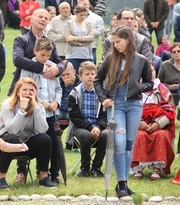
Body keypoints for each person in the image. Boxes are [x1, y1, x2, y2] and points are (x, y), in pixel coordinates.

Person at [94, 26, 153, 198]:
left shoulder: (141, 60)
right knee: (118, 142)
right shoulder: (110, 59)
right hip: (115, 105)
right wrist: (103, 98)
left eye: (118, 42)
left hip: (134, 105)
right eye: (114, 42)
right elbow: (98, 80)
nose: (116, 45)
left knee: (128, 145)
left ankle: (124, 184)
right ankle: (121, 184)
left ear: (128, 39)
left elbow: (149, 83)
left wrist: (138, 87)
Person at [0, 77, 55, 189]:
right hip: (6, 144)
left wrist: (36, 108)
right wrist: (22, 110)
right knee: (12, 138)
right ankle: (1, 178)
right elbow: (12, 130)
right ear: (18, 92)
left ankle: (43, 177)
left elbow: (42, 130)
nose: (28, 92)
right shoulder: (8, 104)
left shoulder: (39, 106)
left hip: (27, 145)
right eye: (25, 90)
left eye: (31, 90)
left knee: (45, 138)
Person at [20, 38, 63, 185]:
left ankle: (54, 173)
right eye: (42, 55)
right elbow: (24, 90)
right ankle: (22, 171)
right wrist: (42, 103)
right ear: (35, 51)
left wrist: (56, 102)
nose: (45, 58)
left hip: (50, 113)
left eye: (48, 56)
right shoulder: (28, 67)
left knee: (53, 143)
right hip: (33, 112)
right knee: (28, 140)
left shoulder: (52, 67)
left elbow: (58, 88)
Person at [131, 62, 176, 181]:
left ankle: (157, 169)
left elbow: (170, 110)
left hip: (160, 125)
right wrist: (139, 123)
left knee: (160, 135)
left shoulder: (162, 89)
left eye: (152, 70)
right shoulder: (133, 89)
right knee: (139, 136)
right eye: (147, 70)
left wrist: (158, 124)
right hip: (139, 125)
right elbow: (128, 110)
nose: (150, 73)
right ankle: (138, 168)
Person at [10, 8, 65, 95]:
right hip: (24, 87)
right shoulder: (21, 40)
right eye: (40, 17)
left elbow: (60, 63)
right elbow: (18, 60)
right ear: (31, 19)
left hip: (45, 89)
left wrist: (57, 69)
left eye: (46, 18)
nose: (43, 20)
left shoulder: (50, 43)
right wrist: (43, 68)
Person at [68, 61, 107, 178]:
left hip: (99, 126)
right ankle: (85, 167)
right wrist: (90, 128)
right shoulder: (74, 94)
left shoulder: (102, 93)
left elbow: (105, 115)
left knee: (106, 135)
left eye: (92, 74)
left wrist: (99, 128)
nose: (90, 77)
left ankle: (96, 167)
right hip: (81, 127)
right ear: (80, 77)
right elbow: (75, 117)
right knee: (85, 136)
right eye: (87, 74)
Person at [63, 4, 94, 72]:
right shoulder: (68, 23)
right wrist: (85, 42)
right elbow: (68, 39)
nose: (83, 17)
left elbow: (91, 38)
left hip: (86, 55)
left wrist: (76, 38)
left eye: (85, 15)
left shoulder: (88, 24)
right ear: (76, 13)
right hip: (72, 55)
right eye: (81, 15)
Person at [59, 61, 81, 150]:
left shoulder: (80, 83)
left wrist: (69, 87)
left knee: (75, 118)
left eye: (68, 74)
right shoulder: (58, 82)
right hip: (60, 110)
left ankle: (69, 144)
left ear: (74, 72)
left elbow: (74, 101)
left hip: (72, 111)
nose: (65, 77)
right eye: (63, 75)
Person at [80, 0, 105, 64]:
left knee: (91, 68)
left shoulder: (97, 18)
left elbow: (102, 30)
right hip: (78, 47)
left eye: (86, 4)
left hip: (92, 47)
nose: (84, 6)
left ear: (89, 5)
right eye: (82, 5)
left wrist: (92, 32)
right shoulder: (74, 18)